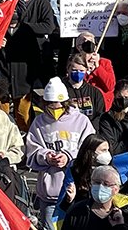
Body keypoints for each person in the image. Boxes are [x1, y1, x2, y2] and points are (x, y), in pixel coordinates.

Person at [27, 77, 95, 226]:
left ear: (65, 103)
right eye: (50, 105)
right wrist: (46, 157)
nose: (55, 109)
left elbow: (91, 149)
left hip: (78, 190)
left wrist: (68, 156)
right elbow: (31, 150)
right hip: (50, 193)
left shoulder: (81, 121)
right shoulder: (38, 122)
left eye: (58, 105)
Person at [61, 165, 128, 230]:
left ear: (116, 189)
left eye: (106, 184)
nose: (100, 187)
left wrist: (120, 227)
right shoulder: (77, 211)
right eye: (96, 182)